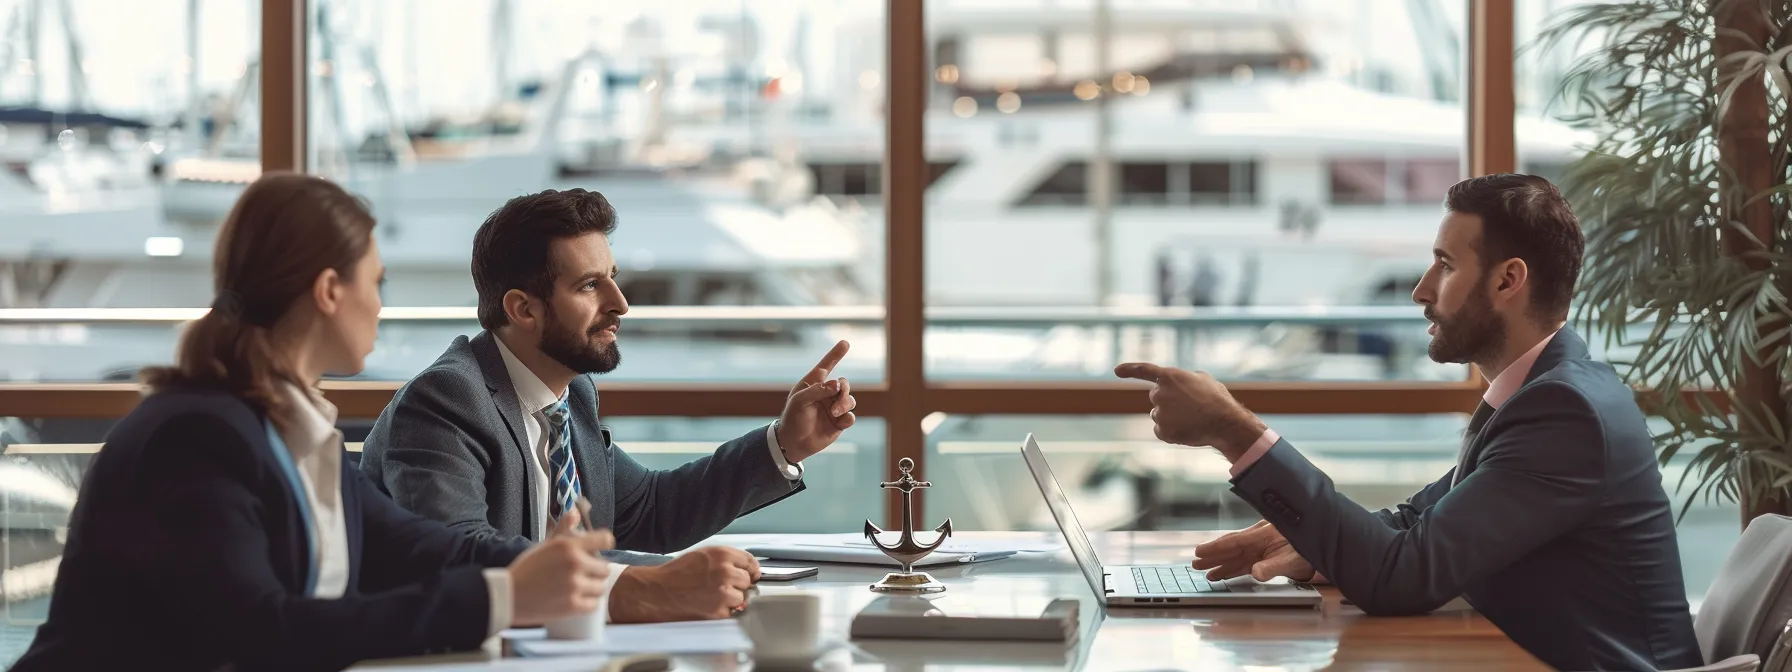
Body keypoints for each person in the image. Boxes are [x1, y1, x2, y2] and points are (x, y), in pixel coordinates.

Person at [13, 173, 616, 671]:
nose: (381, 304)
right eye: (376, 283)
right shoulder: (195, 437)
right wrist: (506, 595)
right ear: (330, 290)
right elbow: (261, 630)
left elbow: (411, 547)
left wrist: (538, 570)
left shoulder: (288, 431)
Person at [1115, 174, 1702, 671]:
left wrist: (1234, 430)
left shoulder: (1565, 412)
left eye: (1445, 265)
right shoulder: (1548, 390)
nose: (1422, 290)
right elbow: (1413, 522)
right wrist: (1317, 544)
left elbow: (1402, 578)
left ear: (1507, 281)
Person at [359, 188, 857, 624]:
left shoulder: (569, 395)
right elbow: (459, 555)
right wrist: (642, 587)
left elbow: (650, 510)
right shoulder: (446, 401)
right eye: (589, 284)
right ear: (522, 309)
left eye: (612, 277)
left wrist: (785, 444)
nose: (620, 302)